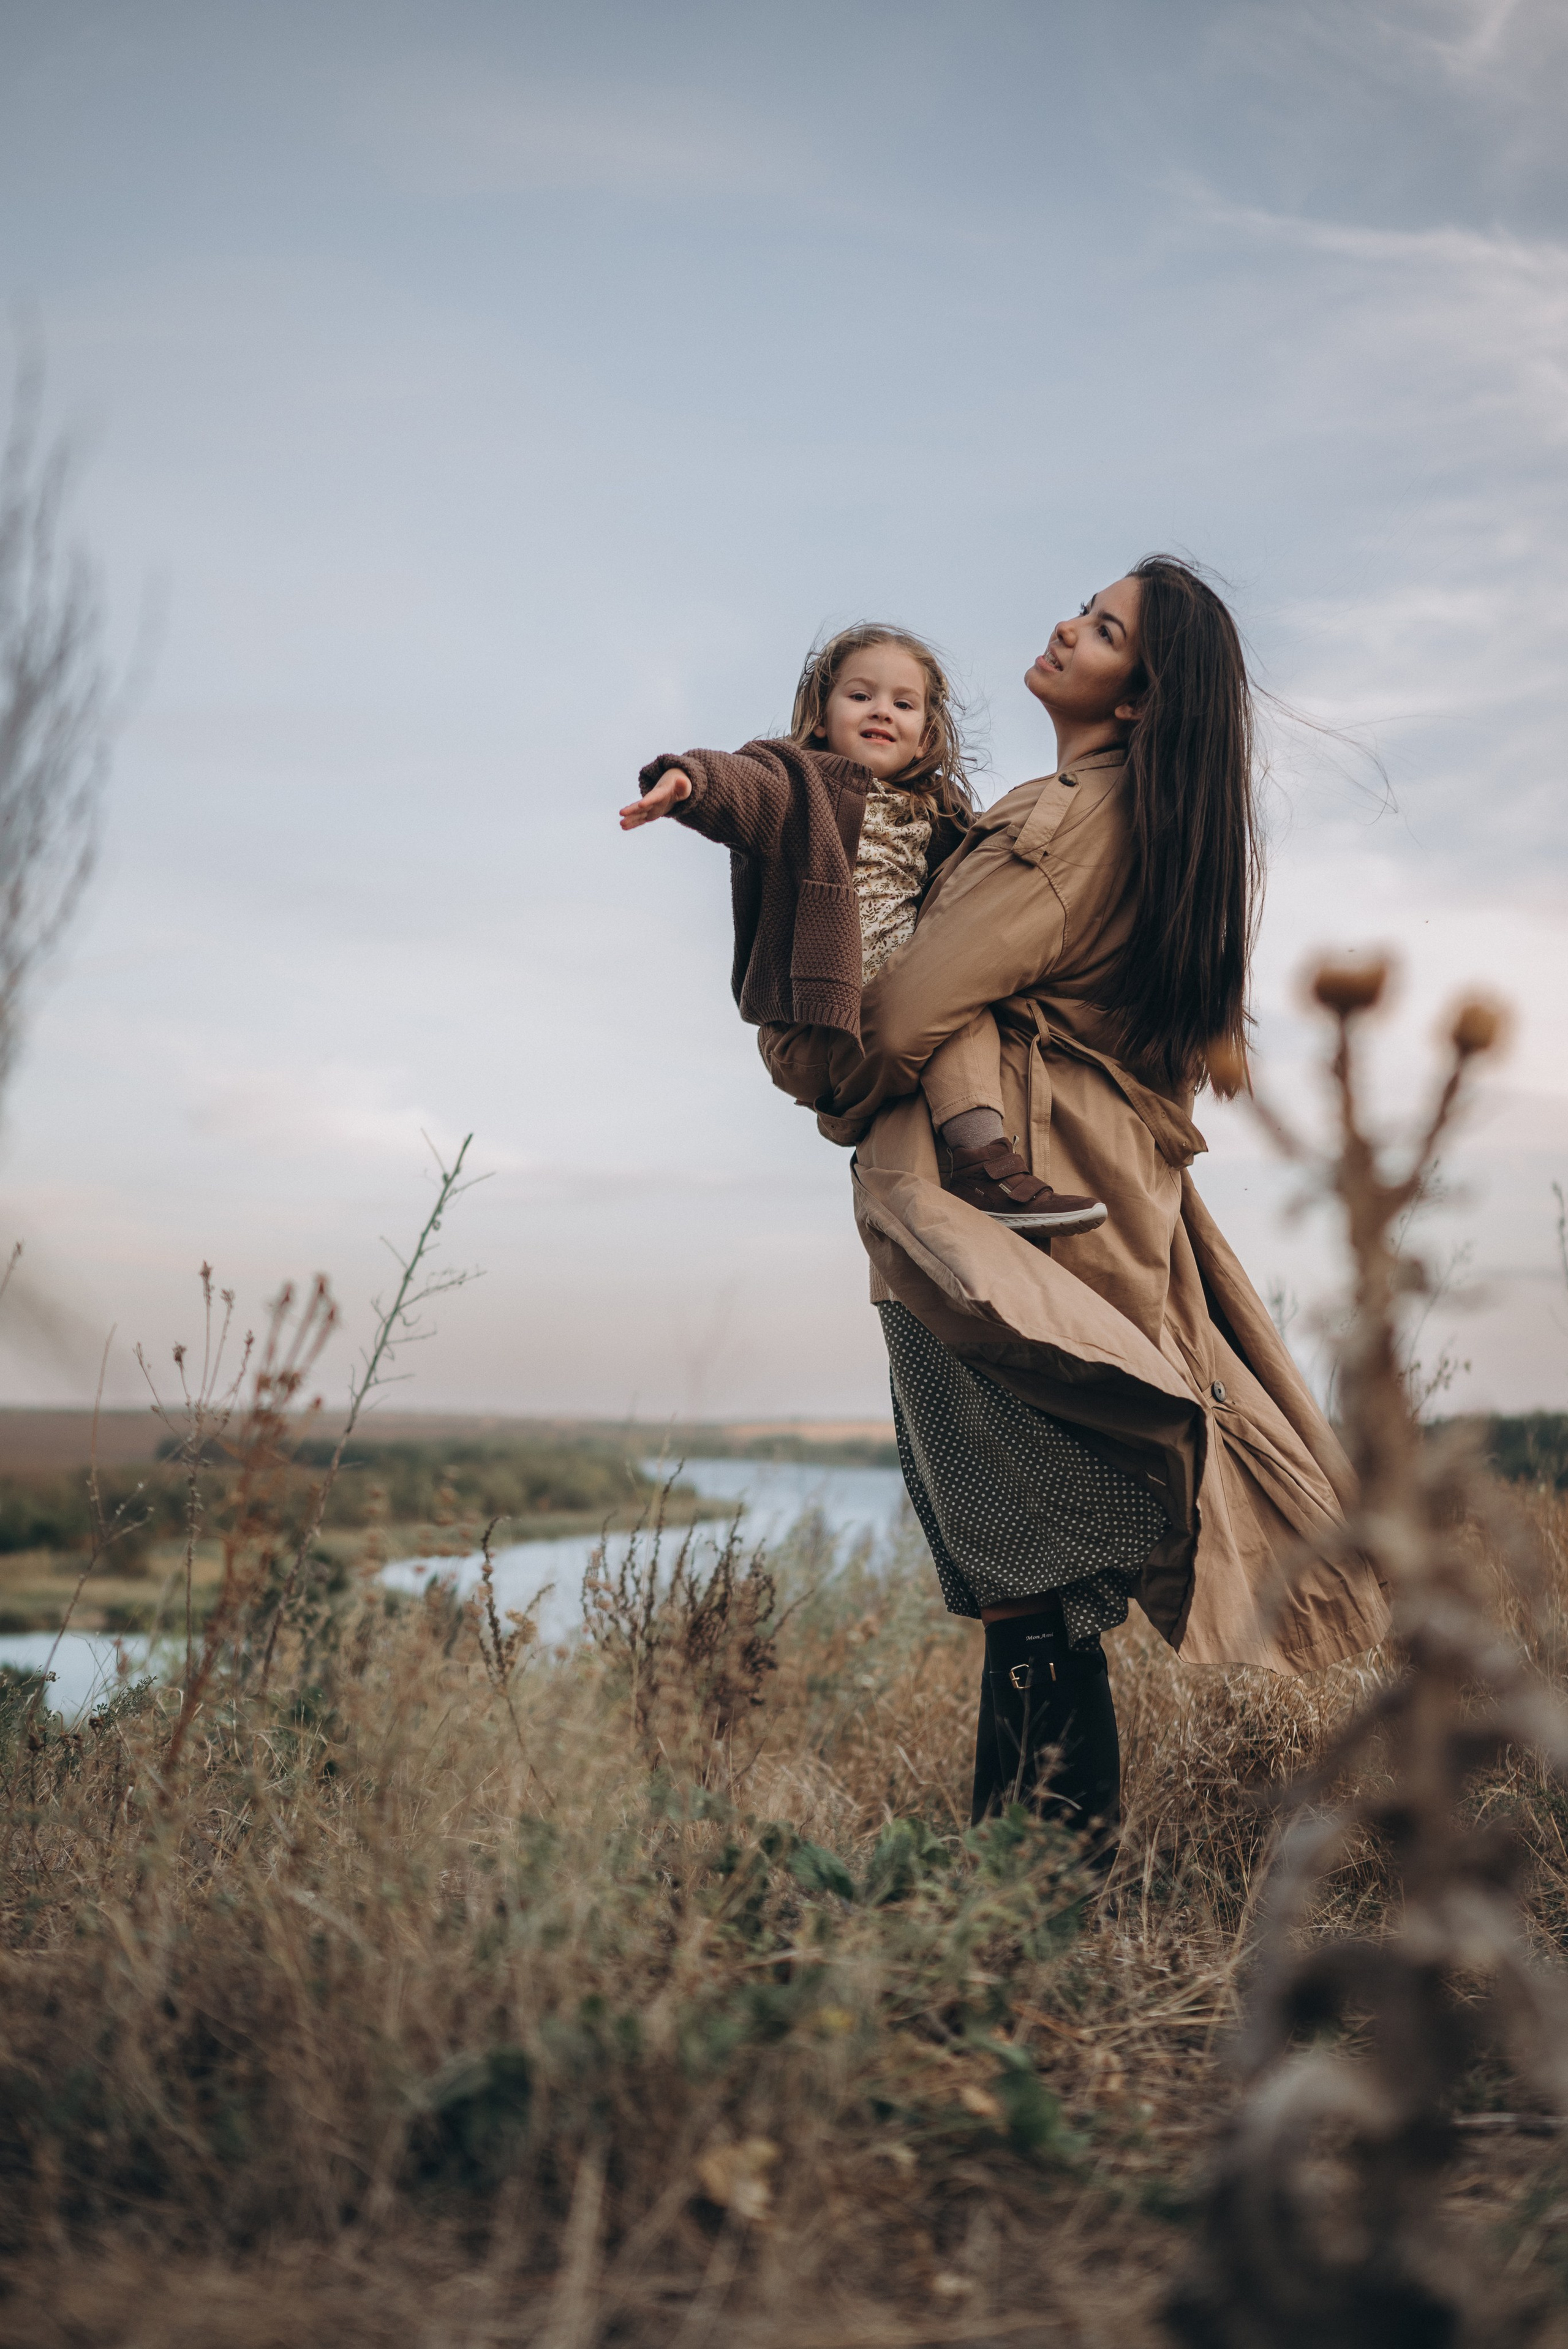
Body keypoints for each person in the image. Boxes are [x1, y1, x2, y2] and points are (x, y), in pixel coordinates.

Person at [762, 557, 1390, 1856]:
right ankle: (1028, 1884)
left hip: (982, 1230)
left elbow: (902, 1010)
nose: (1064, 625)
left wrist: (819, 1074)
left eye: (1102, 630)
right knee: (1030, 1578)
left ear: (1143, 701)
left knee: (1025, 1582)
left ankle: (1035, 1889)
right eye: (1084, 607)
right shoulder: (1135, 824)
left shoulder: (1059, 822)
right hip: (1068, 1214)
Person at [620, 623, 1106, 1238]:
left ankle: (958, 1160)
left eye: (903, 704)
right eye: (860, 696)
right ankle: (985, 1169)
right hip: (813, 1020)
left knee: (961, 1003)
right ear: (822, 715)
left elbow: (990, 888)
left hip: (890, 1007)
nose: (882, 710)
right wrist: (688, 783)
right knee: (955, 1014)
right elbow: (745, 785)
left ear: (925, 733)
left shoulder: (942, 817)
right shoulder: (799, 785)